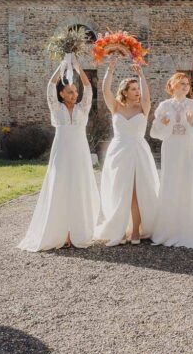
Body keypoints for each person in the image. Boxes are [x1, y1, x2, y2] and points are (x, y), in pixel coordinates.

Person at [18, 56, 99, 251]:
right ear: (61, 94)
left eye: (75, 91)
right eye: (70, 91)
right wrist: (62, 66)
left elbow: (88, 88)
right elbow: (50, 86)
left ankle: (76, 232)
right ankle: (61, 233)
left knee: (78, 188)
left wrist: (78, 69)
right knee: (60, 188)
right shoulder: (56, 108)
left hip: (79, 152)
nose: (74, 94)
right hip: (61, 151)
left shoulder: (83, 108)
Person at [95, 58, 159, 246]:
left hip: (138, 151)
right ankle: (120, 229)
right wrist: (110, 70)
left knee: (136, 191)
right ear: (124, 92)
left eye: (137, 89)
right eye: (133, 89)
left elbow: (146, 97)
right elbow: (105, 91)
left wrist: (141, 76)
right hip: (119, 151)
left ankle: (136, 230)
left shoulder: (143, 107)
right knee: (119, 190)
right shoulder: (116, 106)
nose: (137, 92)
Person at [149, 72, 193, 248]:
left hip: (188, 147)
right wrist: (162, 123)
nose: (185, 86)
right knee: (170, 183)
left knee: (187, 183)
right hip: (170, 147)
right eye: (181, 83)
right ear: (172, 85)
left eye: (187, 84)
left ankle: (187, 229)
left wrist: (192, 122)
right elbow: (155, 133)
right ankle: (168, 229)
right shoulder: (164, 106)